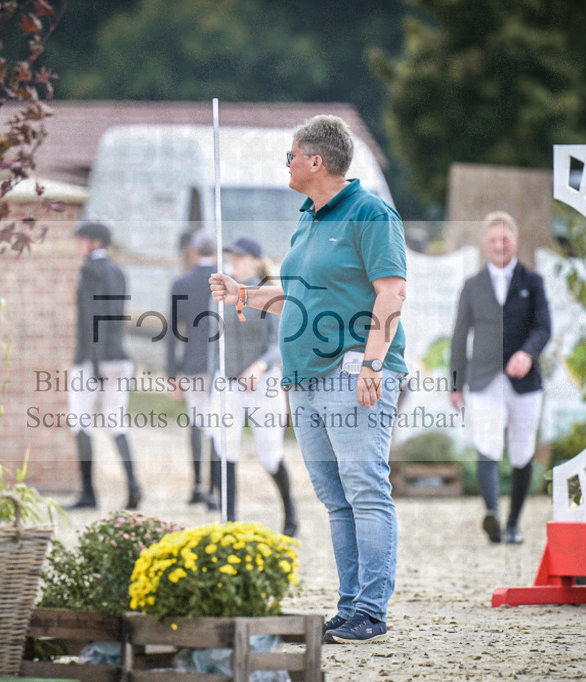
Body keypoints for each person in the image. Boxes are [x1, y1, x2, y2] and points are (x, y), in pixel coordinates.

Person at [210, 115, 407, 645]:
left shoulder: (370, 213)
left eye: (291, 156)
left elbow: (391, 293)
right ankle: (350, 608)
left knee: (365, 487)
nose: (287, 164)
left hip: (352, 372)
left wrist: (372, 364)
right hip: (304, 378)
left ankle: (372, 608)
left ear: (315, 161)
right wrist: (243, 295)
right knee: (335, 495)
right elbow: (295, 298)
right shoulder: (306, 218)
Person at [449, 211, 551, 545]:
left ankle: (513, 524)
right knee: (487, 443)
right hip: (483, 379)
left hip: (525, 382)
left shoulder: (532, 282)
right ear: (485, 243)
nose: (499, 245)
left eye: (504, 239)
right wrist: (455, 384)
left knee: (522, 451)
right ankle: (492, 513)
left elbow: (543, 327)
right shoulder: (472, 286)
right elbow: (459, 335)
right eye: (493, 240)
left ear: (515, 240)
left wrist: (528, 353)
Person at [210, 235, 298, 537]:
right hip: (228, 381)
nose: (234, 260)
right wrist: (214, 377)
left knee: (269, 454)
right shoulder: (221, 293)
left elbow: (279, 343)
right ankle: (229, 521)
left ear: (254, 260)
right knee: (225, 448)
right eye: (232, 255)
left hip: (262, 382)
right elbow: (214, 339)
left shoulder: (266, 293)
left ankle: (290, 515)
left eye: (240, 256)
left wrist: (260, 366)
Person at [67, 222, 142, 510]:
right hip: (120, 357)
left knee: (80, 421)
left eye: (82, 240)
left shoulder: (89, 271)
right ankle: (133, 486)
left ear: (95, 242)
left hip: (93, 359)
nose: (78, 246)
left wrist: (95, 363)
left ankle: (88, 493)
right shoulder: (119, 272)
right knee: (116, 421)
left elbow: (91, 318)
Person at [167, 229, 220, 510]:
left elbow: (173, 332)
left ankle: (198, 485)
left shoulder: (181, 283)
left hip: (193, 364)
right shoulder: (224, 282)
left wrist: (171, 374)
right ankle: (214, 488)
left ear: (193, 251)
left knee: (197, 423)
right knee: (215, 425)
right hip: (219, 365)